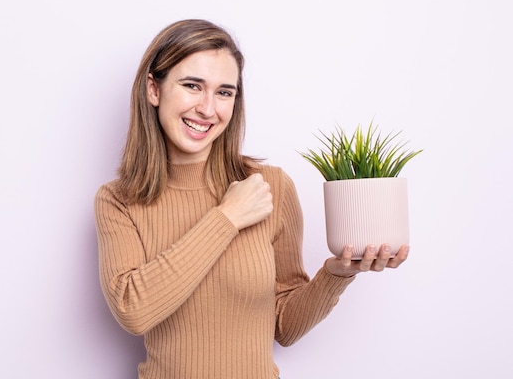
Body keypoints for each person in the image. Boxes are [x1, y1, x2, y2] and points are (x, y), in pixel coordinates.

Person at [94, 19, 409, 379]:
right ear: (154, 89)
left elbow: (284, 328)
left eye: (224, 92)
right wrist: (227, 218)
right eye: (192, 86)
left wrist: (336, 275)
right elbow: (134, 310)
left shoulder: (270, 186)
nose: (208, 109)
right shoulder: (118, 201)